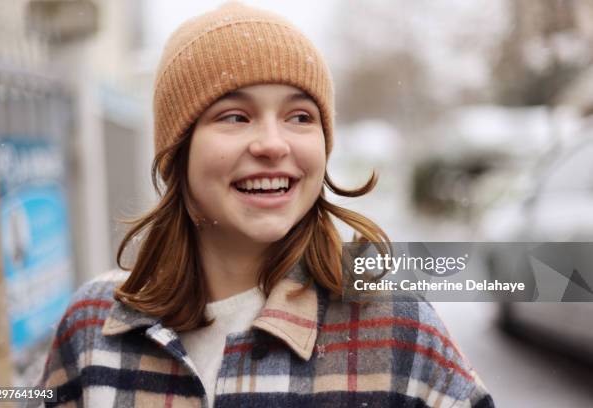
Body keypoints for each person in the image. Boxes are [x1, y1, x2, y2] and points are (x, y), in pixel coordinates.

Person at [39, 2, 495, 407]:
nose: (273, 144)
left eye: (300, 116)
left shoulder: (399, 332)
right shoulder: (92, 327)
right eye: (235, 116)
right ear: (179, 150)